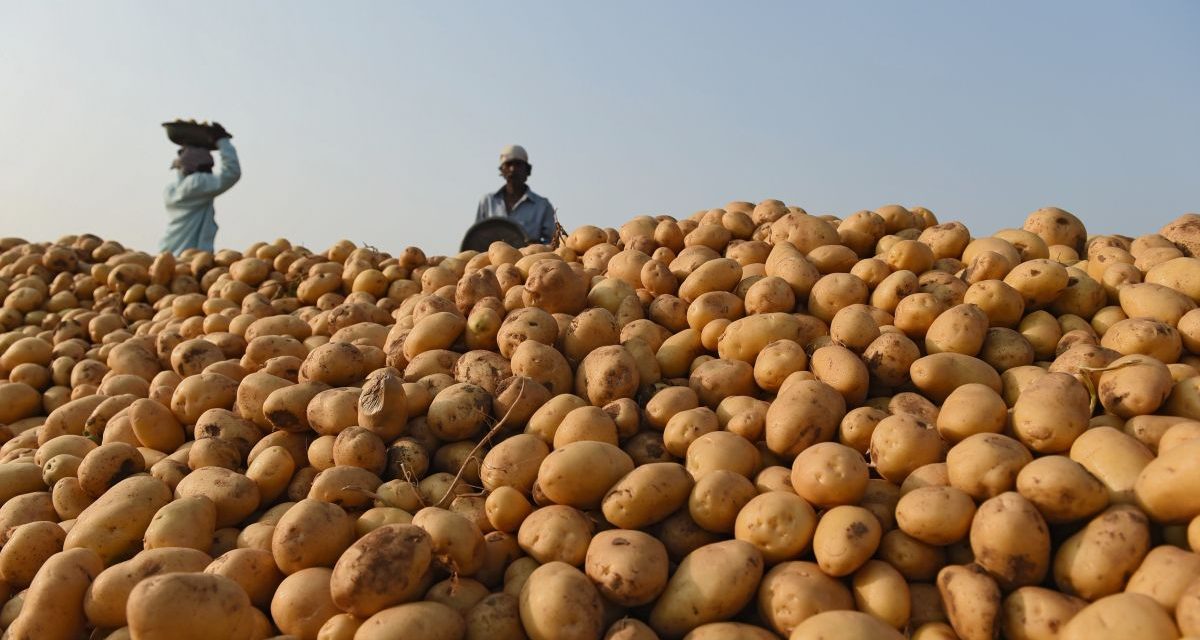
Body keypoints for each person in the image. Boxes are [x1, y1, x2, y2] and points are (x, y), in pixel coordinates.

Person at [161, 123, 241, 255]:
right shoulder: (197, 184)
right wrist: (223, 142)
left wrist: (181, 165)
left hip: (168, 254)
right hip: (190, 259)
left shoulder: (171, 191)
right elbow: (231, 173)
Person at [475, 145, 557, 245]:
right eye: (508, 164)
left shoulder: (542, 205)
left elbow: (553, 242)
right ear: (502, 170)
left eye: (518, 164)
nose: (513, 169)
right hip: (492, 258)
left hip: (529, 259)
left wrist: (536, 246)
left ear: (527, 170)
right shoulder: (487, 202)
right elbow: (476, 237)